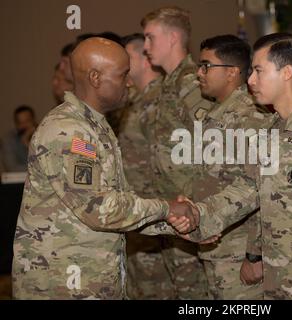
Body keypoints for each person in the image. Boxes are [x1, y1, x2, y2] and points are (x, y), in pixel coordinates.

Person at [12, 37, 197, 300]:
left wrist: (174, 224)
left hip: (88, 278)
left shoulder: (95, 126)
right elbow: (99, 209)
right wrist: (167, 209)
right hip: (62, 284)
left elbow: (121, 204)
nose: (130, 83)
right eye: (123, 76)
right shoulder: (69, 131)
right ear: (96, 78)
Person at [170, 33, 292, 299]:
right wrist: (198, 215)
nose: (250, 80)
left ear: (286, 72)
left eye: (259, 71)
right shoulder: (271, 129)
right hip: (278, 281)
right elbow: (248, 190)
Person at [141, 6, 213, 299]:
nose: (146, 47)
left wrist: (205, 209)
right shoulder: (167, 84)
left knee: (194, 294)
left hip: (191, 213)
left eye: (150, 38)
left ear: (172, 38)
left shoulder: (191, 83)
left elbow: (215, 147)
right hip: (172, 213)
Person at [193, 34, 271, 299]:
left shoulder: (251, 117)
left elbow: (263, 186)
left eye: (206, 66)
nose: (199, 73)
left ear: (232, 72)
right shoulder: (217, 114)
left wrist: (255, 254)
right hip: (217, 247)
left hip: (239, 254)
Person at [113, 33, 175, 300]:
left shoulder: (161, 101)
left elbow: (168, 163)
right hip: (134, 215)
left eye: (128, 56)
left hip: (155, 216)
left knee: (157, 290)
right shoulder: (132, 102)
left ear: (145, 58)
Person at [1, 105, 37, 172]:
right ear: (16, 124)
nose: (24, 125)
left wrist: (29, 145)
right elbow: (12, 168)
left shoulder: (42, 136)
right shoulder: (8, 140)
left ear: (33, 120)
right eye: (20, 123)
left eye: (27, 121)